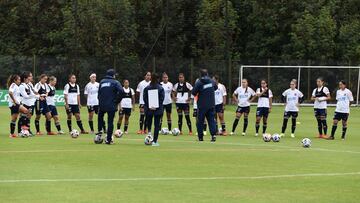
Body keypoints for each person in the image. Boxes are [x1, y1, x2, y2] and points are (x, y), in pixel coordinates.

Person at [96, 69, 124, 144]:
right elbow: (121, 91)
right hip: (111, 105)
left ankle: (99, 134)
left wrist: (100, 100)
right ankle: (108, 139)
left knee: (100, 118)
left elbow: (99, 93)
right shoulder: (115, 82)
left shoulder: (102, 81)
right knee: (110, 122)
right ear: (113, 75)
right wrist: (117, 101)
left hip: (102, 104)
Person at [191, 69, 218, 142]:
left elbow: (193, 92)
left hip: (202, 105)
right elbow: (216, 88)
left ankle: (200, 137)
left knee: (200, 121)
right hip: (211, 104)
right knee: (211, 120)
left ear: (201, 74)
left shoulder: (199, 82)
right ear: (207, 74)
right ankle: (213, 136)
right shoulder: (212, 81)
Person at [143, 73, 165, 146]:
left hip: (149, 109)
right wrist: (156, 106)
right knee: (156, 125)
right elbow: (162, 99)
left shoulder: (147, 88)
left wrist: (150, 106)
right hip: (158, 110)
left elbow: (145, 99)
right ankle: (155, 141)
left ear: (151, 79)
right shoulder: (161, 88)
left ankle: (149, 134)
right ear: (158, 79)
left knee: (149, 123)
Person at [18, 71, 39, 136]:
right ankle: (20, 131)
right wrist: (35, 96)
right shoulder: (21, 86)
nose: (31, 77)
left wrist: (38, 96)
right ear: (25, 78)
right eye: (30, 76)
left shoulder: (29, 84)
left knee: (28, 117)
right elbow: (25, 96)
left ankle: (27, 130)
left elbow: (32, 93)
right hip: (24, 103)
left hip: (31, 103)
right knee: (23, 118)